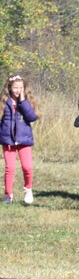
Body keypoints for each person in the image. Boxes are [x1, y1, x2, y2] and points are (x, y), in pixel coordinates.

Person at [1, 75, 39, 204]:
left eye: (20, 88)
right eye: (15, 88)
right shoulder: (3, 101)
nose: (18, 90)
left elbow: (32, 117)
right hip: (8, 140)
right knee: (9, 168)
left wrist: (23, 102)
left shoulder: (26, 100)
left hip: (24, 140)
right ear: (10, 88)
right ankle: (8, 195)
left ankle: (28, 189)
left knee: (27, 167)